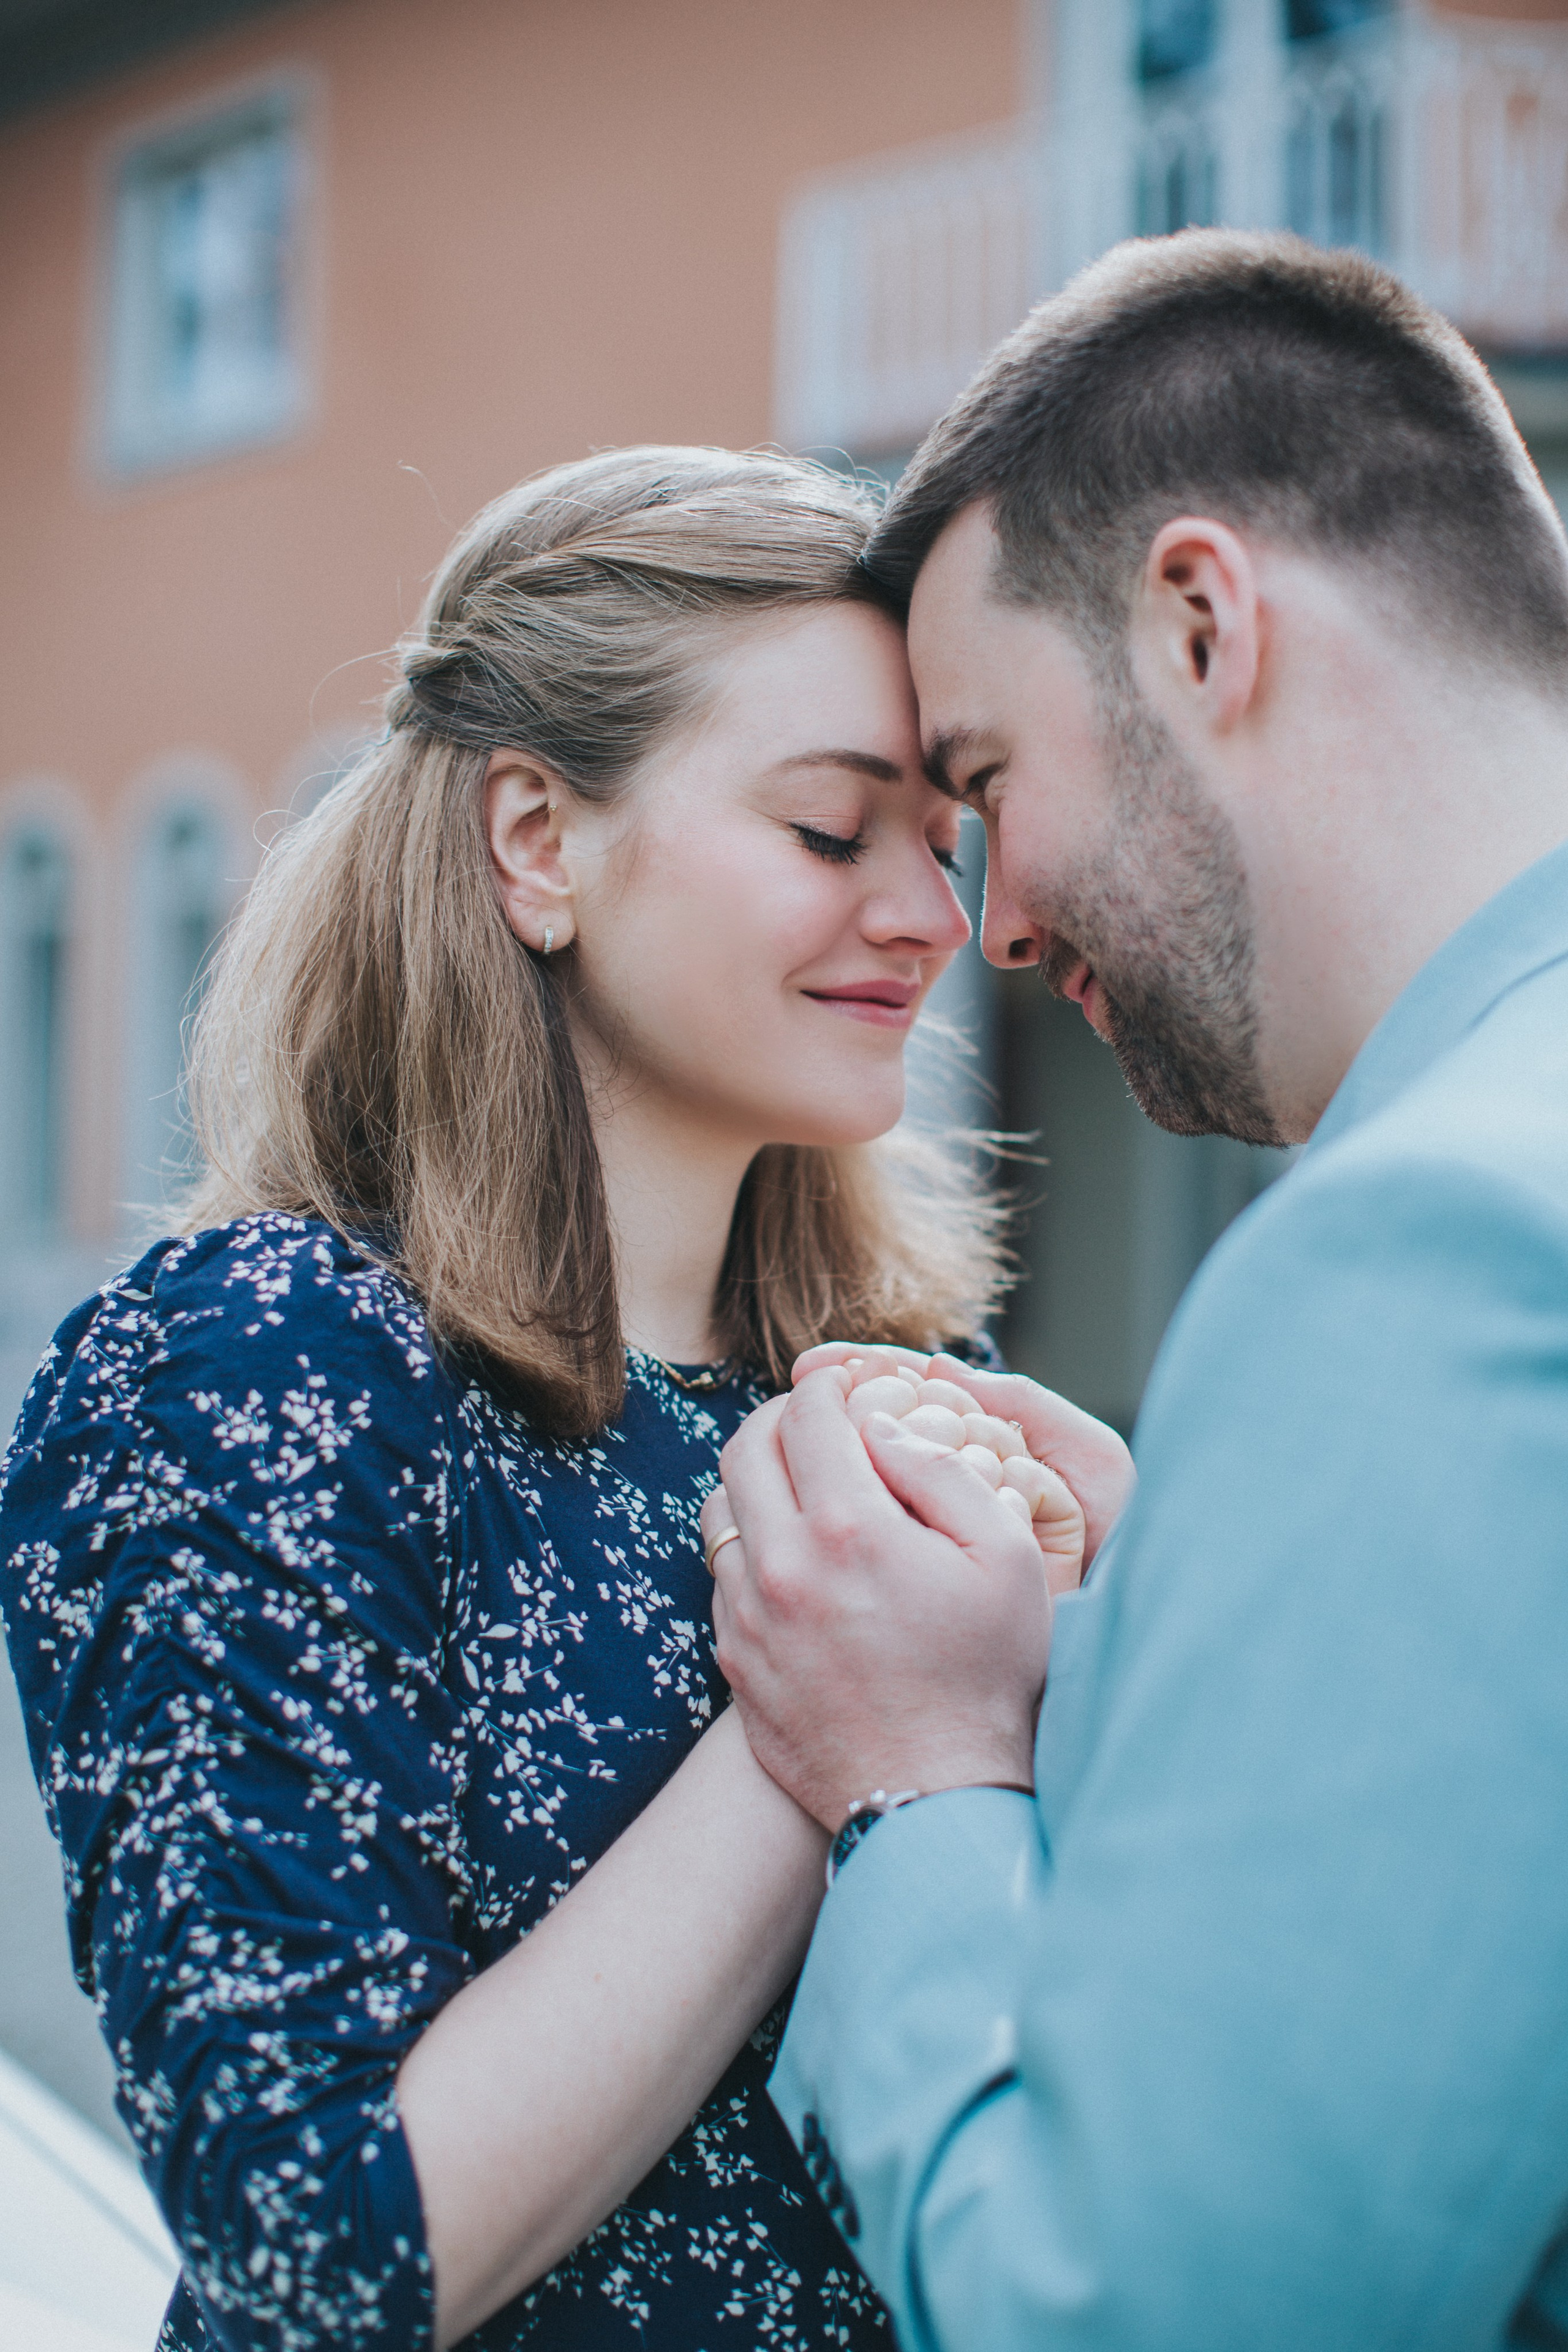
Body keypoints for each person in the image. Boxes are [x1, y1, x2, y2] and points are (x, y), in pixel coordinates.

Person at [0, 445, 1065, 2352]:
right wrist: (832, 1715)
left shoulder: (922, 1395)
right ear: (535, 842)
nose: (935, 915)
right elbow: (320, 2252)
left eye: (946, 836)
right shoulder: (264, 1364)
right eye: (835, 832)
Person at [706, 229, 1568, 2350]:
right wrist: (1187, 1590)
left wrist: (921, 1773)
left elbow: (1153, 2317)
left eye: (987, 783)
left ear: (1202, 624)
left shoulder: (1423, 1260)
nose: (987, 929)